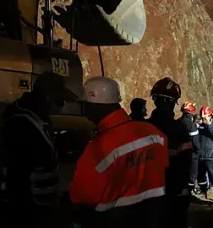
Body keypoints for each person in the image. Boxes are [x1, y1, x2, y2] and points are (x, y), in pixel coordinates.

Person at [69, 76, 168, 228]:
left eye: (86, 106)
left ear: (94, 106)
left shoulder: (99, 147)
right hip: (154, 216)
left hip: (112, 220)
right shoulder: (155, 134)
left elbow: (83, 197)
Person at [0, 72, 77, 227]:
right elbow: (17, 175)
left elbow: (39, 155)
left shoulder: (37, 117)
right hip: (26, 210)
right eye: (60, 101)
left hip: (38, 206)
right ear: (48, 97)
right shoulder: (22, 123)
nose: (62, 106)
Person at [147, 77, 192, 228]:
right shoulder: (180, 130)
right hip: (173, 191)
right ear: (174, 102)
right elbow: (187, 162)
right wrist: (185, 188)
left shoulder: (141, 128)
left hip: (144, 193)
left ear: (154, 99)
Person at [177, 101, 201, 192]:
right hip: (191, 154)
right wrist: (198, 152)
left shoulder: (178, 122)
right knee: (192, 174)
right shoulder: (191, 125)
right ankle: (189, 191)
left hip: (179, 153)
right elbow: (195, 141)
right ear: (192, 112)